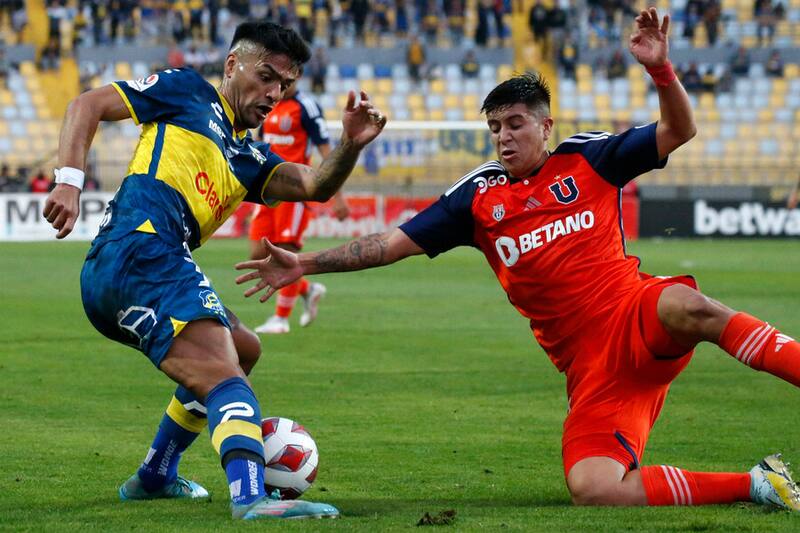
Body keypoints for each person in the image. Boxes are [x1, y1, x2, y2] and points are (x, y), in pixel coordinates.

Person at [236, 9, 800, 511]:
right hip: (592, 370)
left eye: (514, 124)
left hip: (634, 312)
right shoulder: (476, 197)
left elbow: (680, 129)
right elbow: (390, 243)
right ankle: (758, 484)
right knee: (594, 488)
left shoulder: (589, 158)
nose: (503, 138)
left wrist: (660, 70)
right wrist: (305, 265)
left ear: (545, 126)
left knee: (687, 305)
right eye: (494, 128)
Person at [42, 21, 386, 520]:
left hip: (146, 264)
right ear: (231, 65)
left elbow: (315, 185)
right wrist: (69, 182)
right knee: (227, 376)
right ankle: (250, 497)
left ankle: (155, 475)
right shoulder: (186, 91)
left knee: (244, 348)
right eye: (265, 76)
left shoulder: (249, 157)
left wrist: (350, 144)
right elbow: (86, 105)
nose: (274, 94)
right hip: (140, 250)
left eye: (285, 85)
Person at [249, 78, 350, 334]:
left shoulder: (306, 107)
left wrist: (337, 195)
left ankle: (281, 319)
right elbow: (258, 143)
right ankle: (307, 289)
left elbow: (327, 152)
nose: (282, 84)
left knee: (287, 251)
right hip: (266, 189)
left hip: (294, 191)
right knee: (258, 254)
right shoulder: (268, 103)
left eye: (288, 79)